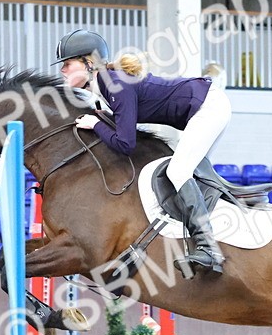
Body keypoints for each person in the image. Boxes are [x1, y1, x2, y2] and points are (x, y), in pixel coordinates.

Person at [55, 28, 227, 277]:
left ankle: (208, 248)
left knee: (178, 171)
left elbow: (126, 144)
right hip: (206, 107)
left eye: (67, 64)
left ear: (89, 63)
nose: (62, 70)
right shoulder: (105, 86)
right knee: (189, 173)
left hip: (208, 107)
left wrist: (96, 125)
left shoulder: (115, 85)